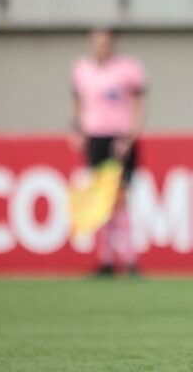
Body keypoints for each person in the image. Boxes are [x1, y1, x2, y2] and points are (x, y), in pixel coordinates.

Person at [69, 27, 146, 277]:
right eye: (97, 42)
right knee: (100, 200)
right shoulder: (82, 70)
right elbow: (77, 102)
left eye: (106, 42)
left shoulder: (127, 69)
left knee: (120, 198)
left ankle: (130, 259)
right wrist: (76, 129)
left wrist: (130, 135)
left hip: (119, 137)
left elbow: (138, 104)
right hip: (95, 137)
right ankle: (106, 260)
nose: (102, 46)